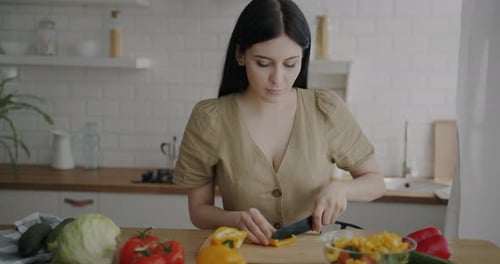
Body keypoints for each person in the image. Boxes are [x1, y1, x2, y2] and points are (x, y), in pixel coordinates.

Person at [173, 0, 385, 246]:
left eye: (290, 64)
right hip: (239, 255)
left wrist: (342, 189)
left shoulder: (324, 108)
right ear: (240, 55)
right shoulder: (210, 118)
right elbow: (199, 210)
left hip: (308, 257)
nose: (278, 79)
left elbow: (375, 181)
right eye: (263, 63)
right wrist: (235, 219)